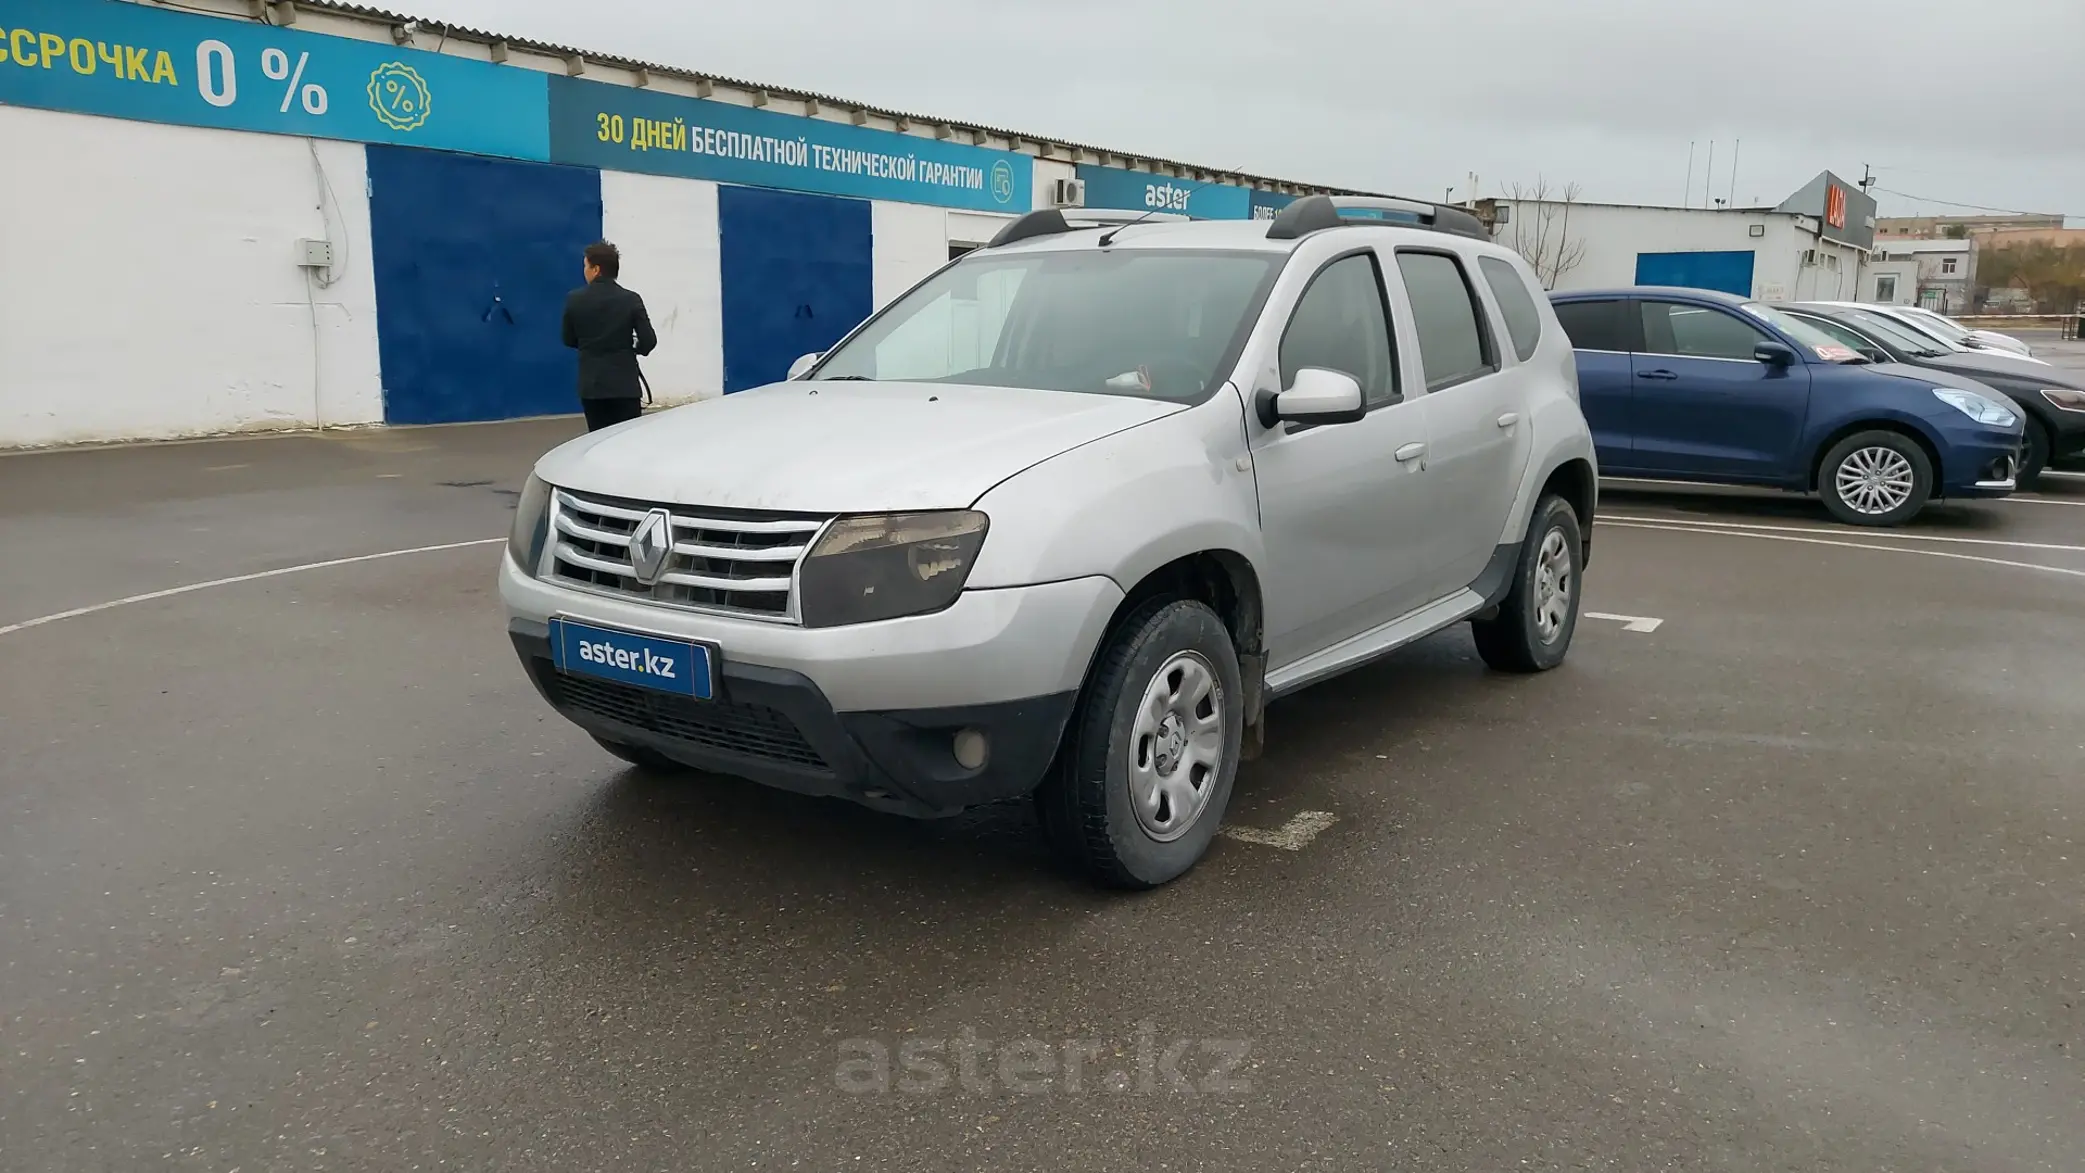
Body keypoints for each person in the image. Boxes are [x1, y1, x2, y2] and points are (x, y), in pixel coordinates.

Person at [561, 240, 658, 431]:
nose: (585, 271)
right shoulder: (631, 299)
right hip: (625, 385)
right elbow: (649, 341)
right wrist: (632, 348)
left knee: (597, 439)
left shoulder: (575, 299)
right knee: (626, 441)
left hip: (592, 385)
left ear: (596, 269)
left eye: (586, 266)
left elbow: (568, 339)